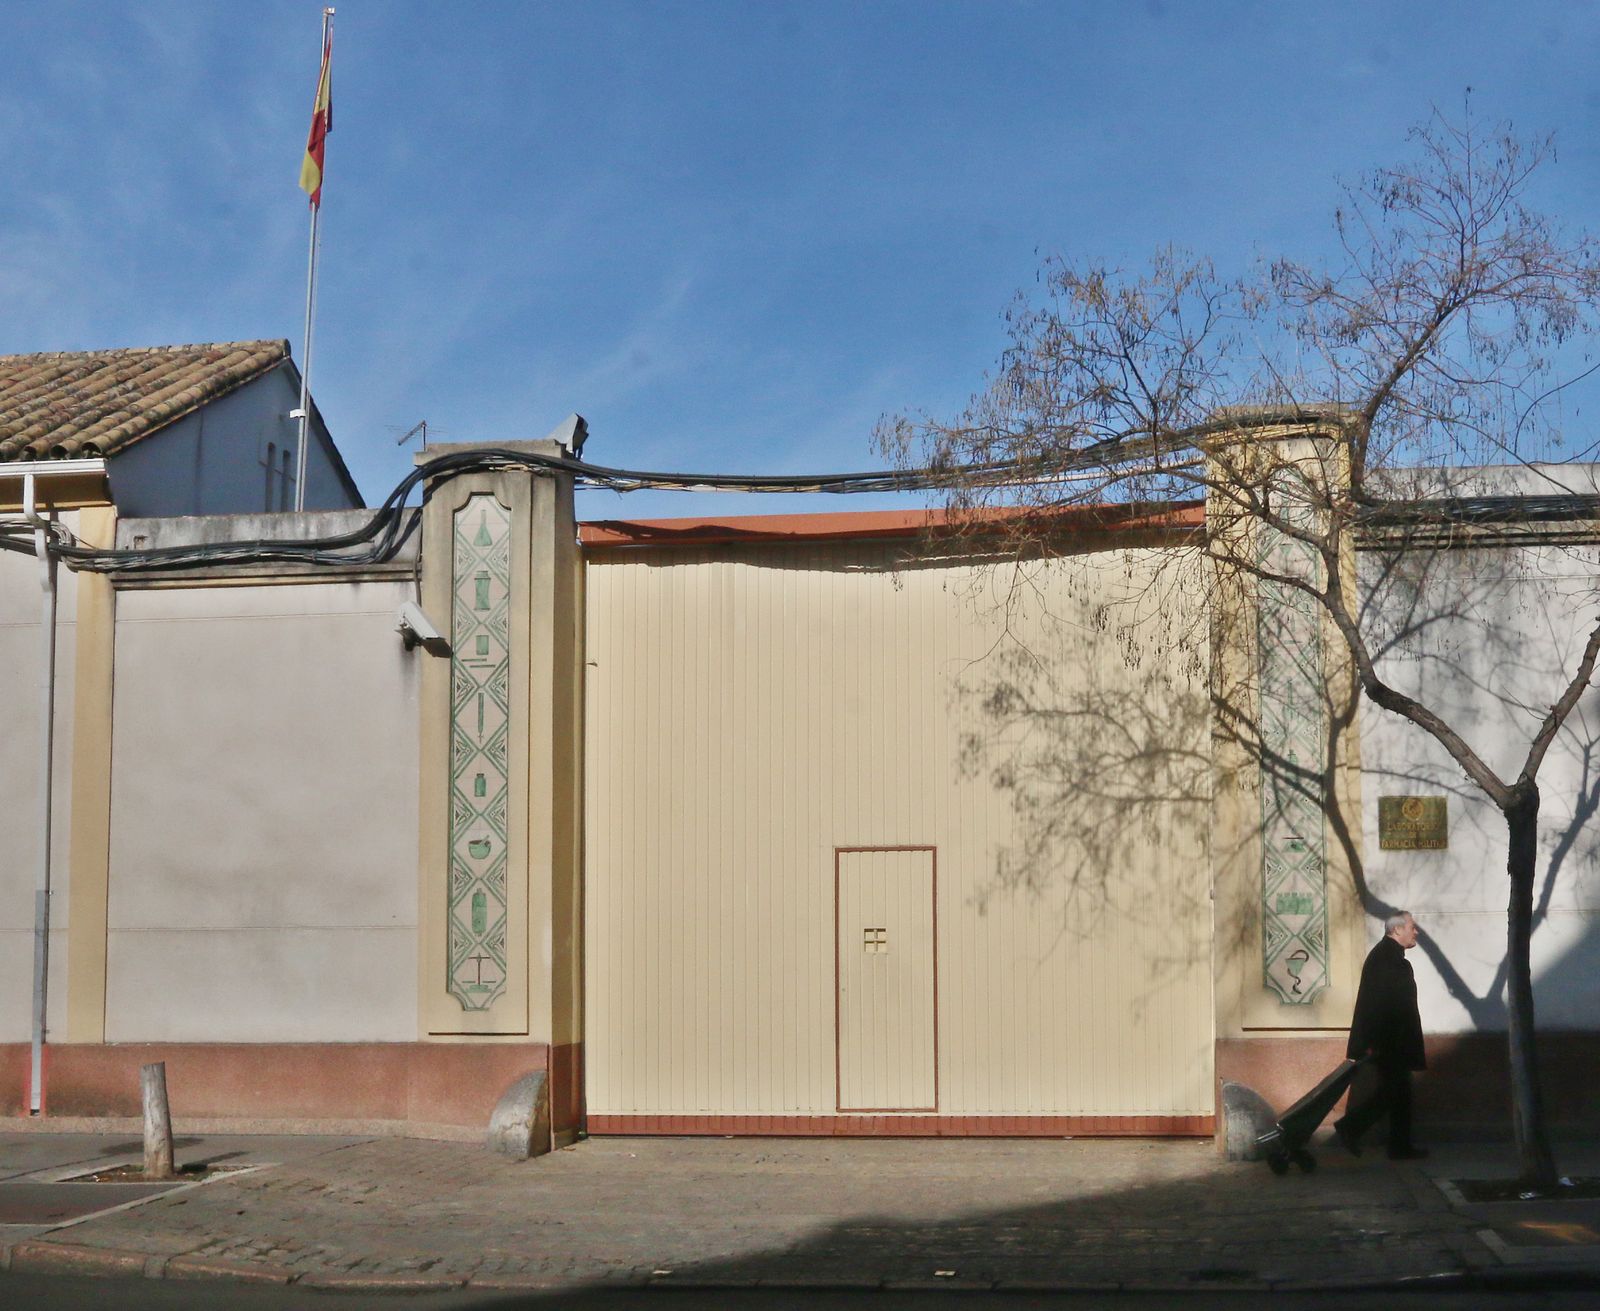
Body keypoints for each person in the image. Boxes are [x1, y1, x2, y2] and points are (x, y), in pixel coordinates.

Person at [1334, 910, 1429, 1160]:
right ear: (1397, 930)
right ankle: (1351, 1128)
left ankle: (1399, 1147)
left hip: (1391, 1041)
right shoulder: (1388, 960)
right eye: (1412, 927)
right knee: (1394, 1093)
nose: (1416, 931)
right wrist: (1375, 1044)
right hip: (1391, 1043)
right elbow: (1381, 1006)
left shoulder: (1388, 957)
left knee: (1399, 1095)